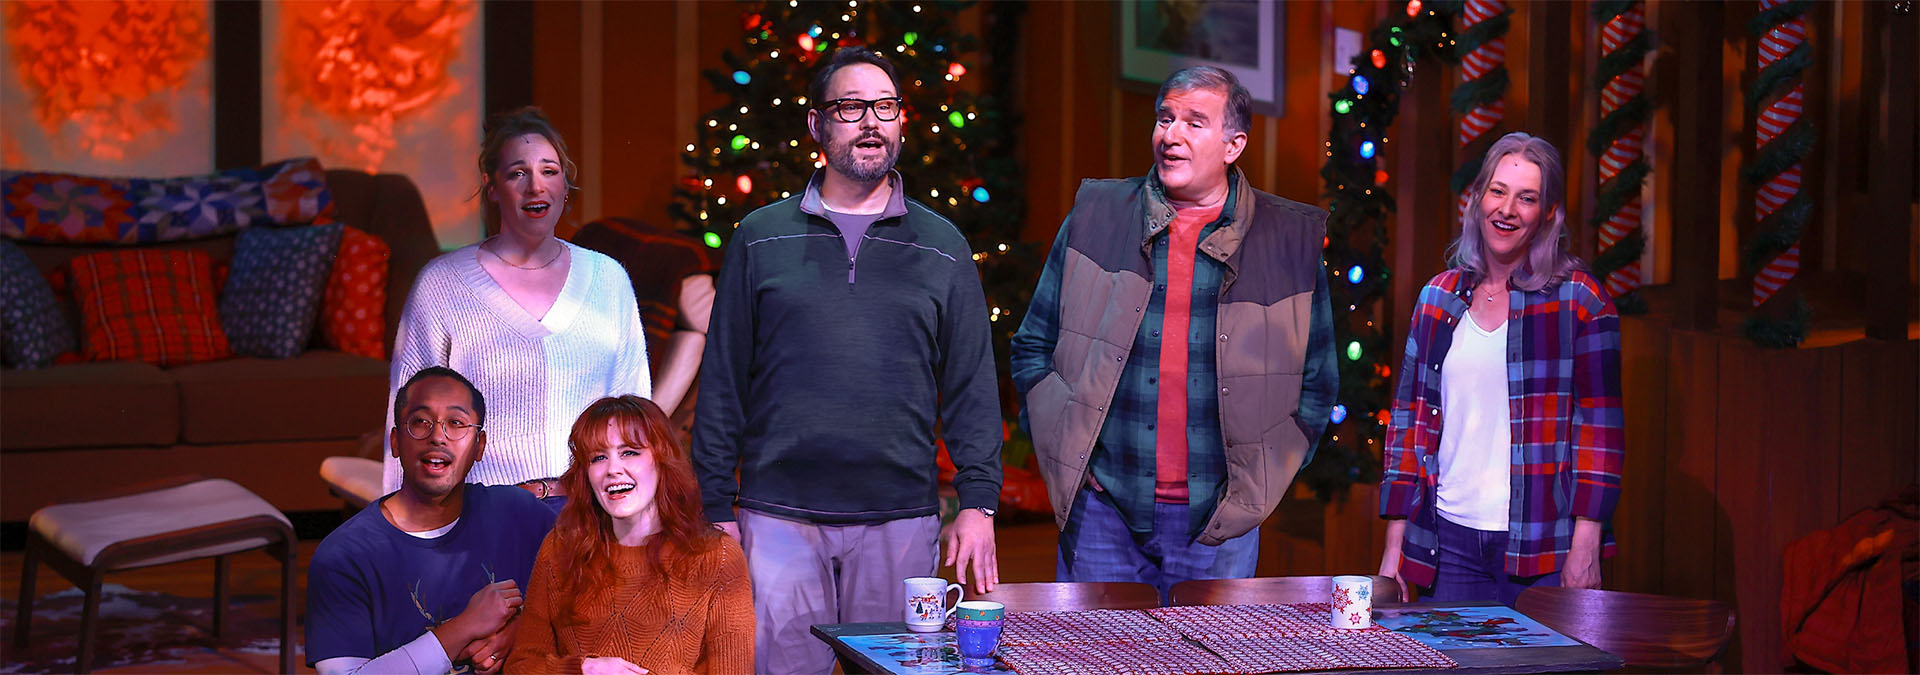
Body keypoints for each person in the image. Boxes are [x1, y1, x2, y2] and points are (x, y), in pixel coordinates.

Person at [692, 47, 1003, 675]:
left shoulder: (943, 247)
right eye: (851, 107)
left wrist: (979, 501)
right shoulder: (760, 236)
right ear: (817, 125)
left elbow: (971, 383)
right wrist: (715, 508)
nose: (871, 122)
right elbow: (723, 381)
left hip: (901, 519)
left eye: (885, 107)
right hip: (778, 518)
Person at [1009, 66, 1338, 603]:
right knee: (1093, 663)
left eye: (1193, 122)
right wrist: (1065, 446)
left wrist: (1259, 483)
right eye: (1165, 118)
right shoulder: (1096, 215)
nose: (1171, 135)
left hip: (1220, 521)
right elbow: (1032, 346)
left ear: (1234, 145)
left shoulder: (1289, 242)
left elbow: (1318, 383)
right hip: (1103, 509)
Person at [1376, 131, 1624, 605]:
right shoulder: (1438, 299)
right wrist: (1394, 546)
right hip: (1447, 545)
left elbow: (1600, 431)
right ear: (1476, 199)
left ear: (1548, 213)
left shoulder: (1581, 302)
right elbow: (1408, 425)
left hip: (1544, 548)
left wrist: (1587, 542)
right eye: (1497, 191)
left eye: (1526, 198)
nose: (1507, 209)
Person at [385, 107, 650, 508]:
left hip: (590, 511)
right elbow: (407, 420)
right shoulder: (441, 285)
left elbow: (634, 414)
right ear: (492, 188)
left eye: (549, 171)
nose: (535, 187)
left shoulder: (608, 280)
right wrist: (399, 531)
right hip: (479, 513)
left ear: (565, 187)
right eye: (517, 173)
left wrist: (641, 519)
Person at [307, 366, 558, 675]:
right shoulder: (344, 557)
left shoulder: (519, 514)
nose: (438, 436)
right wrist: (463, 627)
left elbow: (591, 589)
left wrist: (521, 630)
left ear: (479, 446)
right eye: (421, 422)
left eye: (456, 423)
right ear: (396, 442)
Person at [509, 395, 753, 673]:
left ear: (661, 460)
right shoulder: (560, 548)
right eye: (598, 457)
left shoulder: (717, 556)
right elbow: (521, 666)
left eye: (630, 452)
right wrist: (583, 670)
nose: (613, 469)